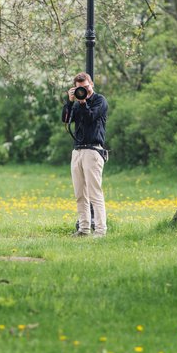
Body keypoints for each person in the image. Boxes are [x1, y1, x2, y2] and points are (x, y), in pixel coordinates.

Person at [61, 72, 108, 237]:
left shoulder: (99, 101)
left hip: (93, 150)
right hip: (77, 151)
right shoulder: (76, 102)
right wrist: (70, 101)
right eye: (80, 89)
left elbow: (90, 117)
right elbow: (65, 120)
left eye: (86, 87)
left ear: (92, 84)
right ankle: (84, 229)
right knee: (80, 193)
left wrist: (82, 102)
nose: (84, 91)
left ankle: (101, 230)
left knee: (94, 193)